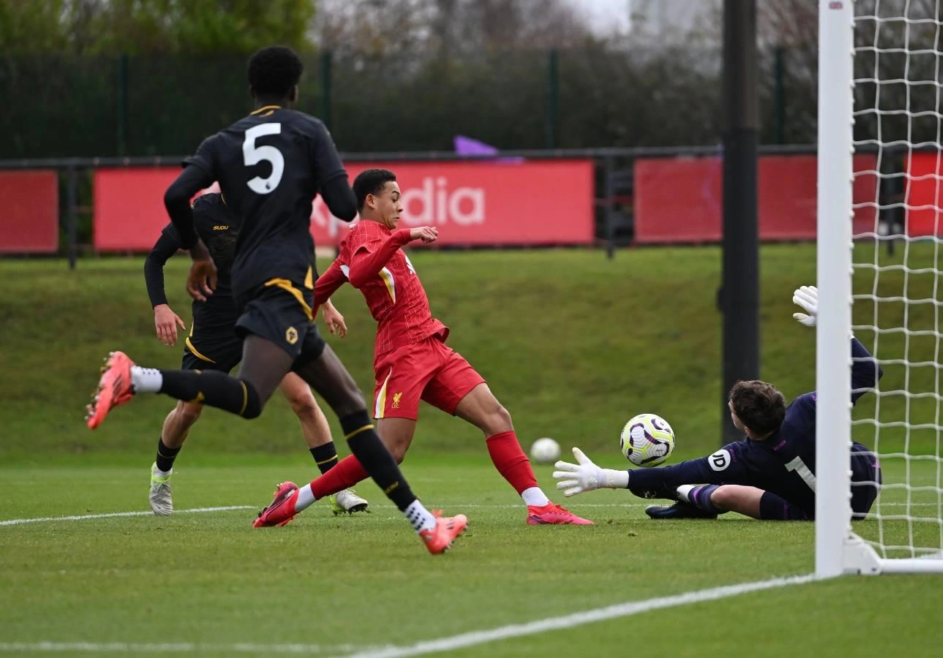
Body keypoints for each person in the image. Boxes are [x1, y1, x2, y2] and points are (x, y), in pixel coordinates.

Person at [86, 45, 467, 555]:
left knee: (352, 408)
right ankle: (135, 377)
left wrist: (198, 252)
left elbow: (177, 195)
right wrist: (306, 178)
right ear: (294, 89)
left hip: (265, 288)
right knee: (249, 399)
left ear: (251, 90)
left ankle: (426, 527)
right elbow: (340, 204)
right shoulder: (308, 131)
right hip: (280, 284)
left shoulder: (224, 141)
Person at [253, 169, 592, 527]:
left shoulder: (374, 237)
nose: (400, 206)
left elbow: (323, 285)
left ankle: (539, 506)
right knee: (388, 452)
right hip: (402, 352)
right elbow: (364, 271)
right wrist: (402, 236)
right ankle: (294, 501)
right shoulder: (368, 232)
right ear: (371, 200)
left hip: (431, 344)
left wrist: (318, 307)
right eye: (394, 197)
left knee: (496, 417)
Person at [552, 286, 883, 522]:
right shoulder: (809, 408)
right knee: (823, 453)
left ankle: (686, 497)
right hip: (863, 486)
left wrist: (602, 477)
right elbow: (869, 371)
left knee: (724, 492)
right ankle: (686, 497)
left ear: (743, 423)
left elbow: (674, 470)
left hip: (815, 515)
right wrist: (836, 327)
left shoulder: (743, 457)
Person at [143, 193, 367, 517]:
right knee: (189, 411)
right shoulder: (202, 211)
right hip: (215, 327)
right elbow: (155, 259)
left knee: (303, 399)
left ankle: (337, 488)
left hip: (265, 319)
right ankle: (161, 476)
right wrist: (160, 306)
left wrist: (326, 303)